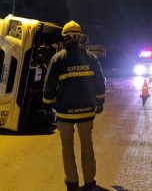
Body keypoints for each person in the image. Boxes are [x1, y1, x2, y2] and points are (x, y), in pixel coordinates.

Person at [43, 20, 105, 191]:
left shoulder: (58, 59)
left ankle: (72, 182)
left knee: (67, 147)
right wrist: (99, 103)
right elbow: (100, 82)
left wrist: (47, 105)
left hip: (64, 113)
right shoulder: (91, 58)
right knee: (87, 145)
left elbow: (49, 86)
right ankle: (90, 182)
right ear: (80, 37)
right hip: (86, 111)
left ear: (65, 37)